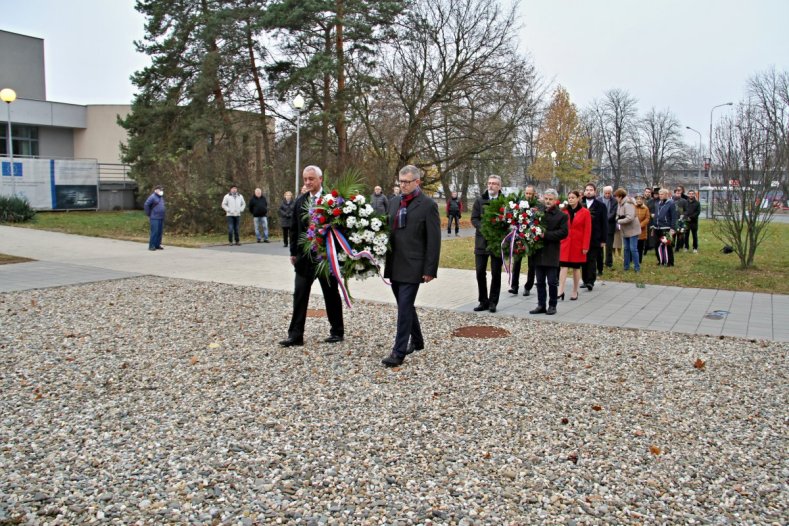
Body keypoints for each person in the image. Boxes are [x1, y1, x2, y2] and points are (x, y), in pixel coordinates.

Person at [381, 165, 441, 367]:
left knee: (404, 307)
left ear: (417, 182)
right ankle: (417, 340)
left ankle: (398, 352)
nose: (403, 185)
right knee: (404, 305)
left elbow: (434, 240)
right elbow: (387, 229)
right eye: (401, 181)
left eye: (407, 182)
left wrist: (430, 269)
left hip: (414, 265)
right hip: (395, 263)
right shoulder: (394, 202)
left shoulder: (427, 205)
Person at [279, 165, 344, 347]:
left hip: (325, 258)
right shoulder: (300, 201)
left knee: (331, 295)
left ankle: (337, 331)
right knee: (299, 296)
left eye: (311, 179)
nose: (307, 182)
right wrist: (293, 252)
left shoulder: (332, 200)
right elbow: (294, 229)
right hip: (304, 260)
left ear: (320, 179)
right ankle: (295, 335)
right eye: (305, 179)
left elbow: (341, 229)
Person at [529, 189, 568, 316]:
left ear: (555, 200)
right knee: (539, 281)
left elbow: (563, 232)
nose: (547, 201)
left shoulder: (561, 215)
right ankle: (541, 304)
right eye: (546, 199)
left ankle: (552, 305)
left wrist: (546, 235)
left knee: (551, 281)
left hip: (551, 252)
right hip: (538, 252)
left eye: (550, 199)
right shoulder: (537, 213)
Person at [471, 175, 504, 313]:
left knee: (496, 273)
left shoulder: (505, 202)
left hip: (497, 243)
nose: (491, 186)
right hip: (481, 242)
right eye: (489, 183)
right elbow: (474, 218)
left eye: (494, 184)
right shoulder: (480, 201)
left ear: (499, 186)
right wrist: (484, 228)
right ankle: (483, 301)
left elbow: (508, 220)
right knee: (480, 272)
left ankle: (493, 302)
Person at [558, 190, 591, 301]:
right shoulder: (563, 211)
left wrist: (585, 246)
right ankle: (560, 291)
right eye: (569, 197)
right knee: (563, 267)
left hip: (578, 245)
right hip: (565, 244)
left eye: (573, 197)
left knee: (576, 268)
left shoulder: (585, 212)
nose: (570, 199)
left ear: (578, 198)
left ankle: (575, 291)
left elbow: (587, 230)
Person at [509, 185, 539, 296]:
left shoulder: (538, 205)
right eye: (527, 193)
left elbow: (539, 219)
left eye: (530, 193)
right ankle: (514, 286)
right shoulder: (519, 205)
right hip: (519, 237)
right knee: (517, 262)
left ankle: (528, 286)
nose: (528, 195)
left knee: (532, 264)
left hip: (532, 238)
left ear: (534, 194)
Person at [581, 183, 607, 292]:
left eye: (591, 190)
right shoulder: (581, 204)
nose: (588, 191)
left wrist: (603, 239)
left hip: (595, 237)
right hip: (582, 237)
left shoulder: (601, 206)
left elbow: (604, 223)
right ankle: (585, 279)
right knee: (583, 259)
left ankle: (591, 281)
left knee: (592, 259)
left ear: (595, 192)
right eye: (587, 190)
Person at [614, 188, 640, 272]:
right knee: (626, 249)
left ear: (620, 196)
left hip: (632, 229)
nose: (615, 198)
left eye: (616, 196)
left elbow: (630, 217)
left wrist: (619, 221)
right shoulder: (620, 204)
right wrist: (618, 218)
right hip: (625, 230)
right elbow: (618, 214)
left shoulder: (628, 204)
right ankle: (626, 267)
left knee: (633, 249)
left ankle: (637, 267)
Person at [653, 188, 677, 266]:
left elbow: (674, 217)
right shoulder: (657, 203)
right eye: (659, 194)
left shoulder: (671, 203)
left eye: (662, 194)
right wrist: (654, 225)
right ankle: (661, 260)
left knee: (667, 245)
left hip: (666, 228)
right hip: (657, 228)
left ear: (666, 194)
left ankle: (670, 262)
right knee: (657, 245)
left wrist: (672, 228)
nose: (660, 196)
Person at [143, 185, 165, 251]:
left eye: (162, 190)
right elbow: (146, 205)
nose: (161, 191)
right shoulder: (152, 197)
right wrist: (149, 213)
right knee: (154, 232)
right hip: (154, 217)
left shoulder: (161, 197)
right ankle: (151, 246)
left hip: (161, 217)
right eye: (160, 190)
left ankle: (157, 245)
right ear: (156, 190)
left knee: (159, 232)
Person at [601, 185, 617, 270]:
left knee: (609, 246)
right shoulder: (599, 200)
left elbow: (613, 212)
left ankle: (609, 262)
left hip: (610, 225)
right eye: (606, 193)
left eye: (609, 193)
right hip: (600, 226)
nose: (607, 195)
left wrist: (605, 220)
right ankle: (600, 262)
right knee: (600, 246)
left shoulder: (614, 201)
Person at [635, 195, 651, 261]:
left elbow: (647, 218)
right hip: (633, 229)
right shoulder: (632, 207)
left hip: (642, 230)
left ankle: (639, 259)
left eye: (640, 199)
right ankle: (631, 259)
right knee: (633, 246)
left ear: (643, 200)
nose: (639, 200)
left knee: (640, 246)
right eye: (637, 199)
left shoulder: (646, 208)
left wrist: (640, 225)